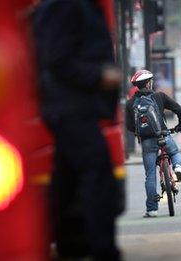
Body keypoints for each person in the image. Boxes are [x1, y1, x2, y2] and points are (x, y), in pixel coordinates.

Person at [32, 0, 121, 260]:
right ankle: (104, 251)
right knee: (98, 175)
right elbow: (55, 59)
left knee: (67, 180)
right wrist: (99, 76)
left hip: (70, 107)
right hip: (71, 108)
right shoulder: (64, 5)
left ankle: (68, 245)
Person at [125, 69, 181, 218]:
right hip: (164, 136)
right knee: (175, 152)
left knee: (150, 175)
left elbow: (129, 126)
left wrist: (140, 133)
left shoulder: (130, 103)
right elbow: (178, 109)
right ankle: (178, 167)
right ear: (148, 83)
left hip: (147, 142)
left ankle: (152, 209)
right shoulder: (159, 96)